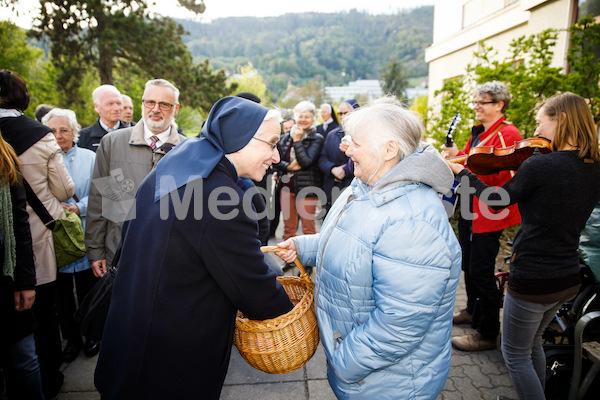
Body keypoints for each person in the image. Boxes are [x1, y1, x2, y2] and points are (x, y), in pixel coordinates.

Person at [95, 96, 294, 399]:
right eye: (271, 144)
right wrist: (294, 314)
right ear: (238, 138)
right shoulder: (221, 200)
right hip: (169, 356)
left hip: (131, 330)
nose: (277, 156)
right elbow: (256, 292)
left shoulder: (182, 160)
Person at [276, 96, 461, 399]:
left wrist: (343, 361)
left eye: (354, 142)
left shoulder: (412, 221)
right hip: (365, 376)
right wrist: (303, 247)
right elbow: (353, 243)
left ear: (389, 149)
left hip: (388, 384)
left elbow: (400, 324)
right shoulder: (367, 186)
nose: (344, 148)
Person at [446, 92, 600, 399]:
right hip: (568, 276)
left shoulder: (542, 166)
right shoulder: (593, 164)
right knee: (533, 343)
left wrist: (463, 172)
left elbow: (496, 198)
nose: (537, 131)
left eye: (542, 122)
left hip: (533, 277)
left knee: (514, 354)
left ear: (562, 120)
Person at [0, 69, 75, 399]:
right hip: (34, 235)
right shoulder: (38, 133)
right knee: (43, 313)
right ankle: (48, 378)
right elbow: (63, 189)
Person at [441, 81, 522, 351]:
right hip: (470, 206)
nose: (476, 107)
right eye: (475, 102)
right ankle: (471, 310)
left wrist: (465, 166)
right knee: (468, 264)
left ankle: (487, 332)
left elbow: (506, 174)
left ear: (498, 105)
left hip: (490, 210)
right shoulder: (480, 131)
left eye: (481, 102)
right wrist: (456, 157)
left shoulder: (508, 133)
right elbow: (471, 158)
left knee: (482, 270)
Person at [86, 78, 186, 277]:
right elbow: (99, 201)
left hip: (170, 259)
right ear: (142, 104)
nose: (155, 109)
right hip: (120, 255)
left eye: (164, 104)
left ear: (175, 109)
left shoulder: (188, 150)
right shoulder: (112, 143)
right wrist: (95, 250)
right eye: (150, 102)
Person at [42, 108, 99, 361]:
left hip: (87, 234)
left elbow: (105, 192)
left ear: (74, 132)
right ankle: (72, 340)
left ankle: (92, 335)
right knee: (63, 298)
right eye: (52, 131)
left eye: (63, 130)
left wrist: (79, 206)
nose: (58, 135)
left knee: (90, 291)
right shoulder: (40, 159)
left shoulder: (91, 157)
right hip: (56, 240)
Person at [0, 129, 44, 400]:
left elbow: (19, 225)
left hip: (7, 279)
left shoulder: (6, 160)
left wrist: (25, 282)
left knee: (23, 360)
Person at [273, 101, 324, 241]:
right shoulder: (285, 139)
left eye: (307, 116)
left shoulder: (316, 139)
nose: (303, 120)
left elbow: (306, 161)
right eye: (300, 116)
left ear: (313, 118)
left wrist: (297, 140)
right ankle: (289, 260)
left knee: (308, 228)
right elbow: (276, 161)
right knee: (289, 228)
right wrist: (288, 167)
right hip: (286, 187)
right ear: (295, 117)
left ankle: (309, 261)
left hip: (307, 188)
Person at [318, 99, 358, 214]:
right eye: (340, 113)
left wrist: (345, 170)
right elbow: (322, 158)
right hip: (332, 185)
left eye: (346, 113)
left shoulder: (362, 134)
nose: (342, 116)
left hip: (351, 185)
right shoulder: (332, 134)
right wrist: (332, 169)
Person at [78, 84, 124, 152]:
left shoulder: (134, 133)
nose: (116, 108)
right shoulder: (83, 138)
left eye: (119, 103)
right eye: (110, 104)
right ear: (97, 107)